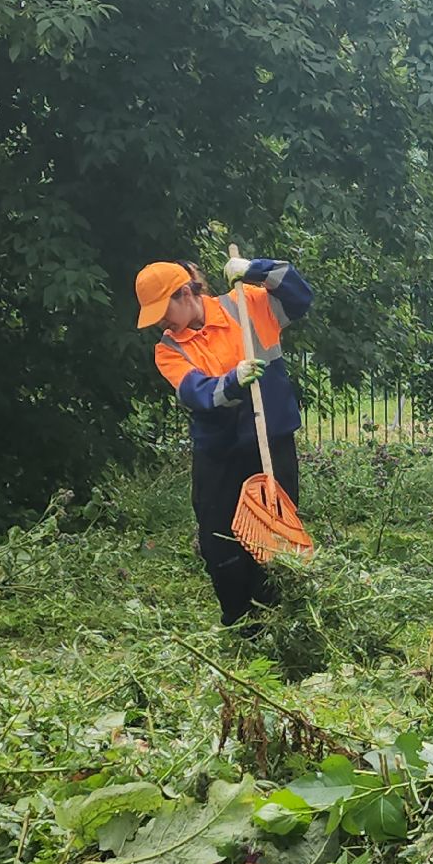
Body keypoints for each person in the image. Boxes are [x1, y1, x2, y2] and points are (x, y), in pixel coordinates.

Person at [135, 252, 313, 624]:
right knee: (219, 541)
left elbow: (300, 295)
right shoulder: (169, 349)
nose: (161, 323)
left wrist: (256, 270)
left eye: (163, 310)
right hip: (220, 452)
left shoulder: (245, 304)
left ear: (185, 293)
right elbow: (197, 394)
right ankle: (239, 622)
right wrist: (233, 381)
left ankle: (277, 619)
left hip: (270, 440)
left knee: (273, 532)